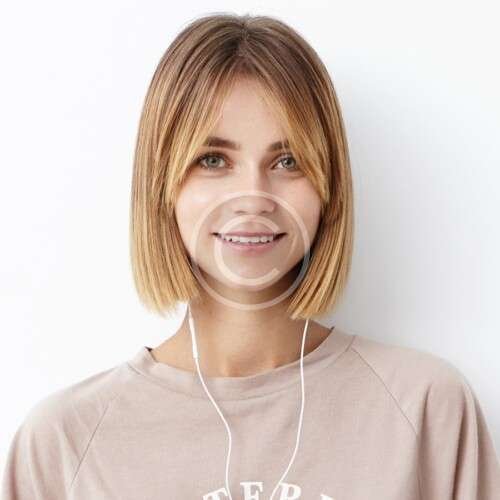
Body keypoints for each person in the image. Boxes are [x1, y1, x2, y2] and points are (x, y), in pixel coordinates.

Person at [2, 12, 499, 500]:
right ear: (162, 185)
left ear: (329, 187)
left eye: (288, 161)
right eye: (212, 160)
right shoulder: (63, 444)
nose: (254, 197)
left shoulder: (425, 410)